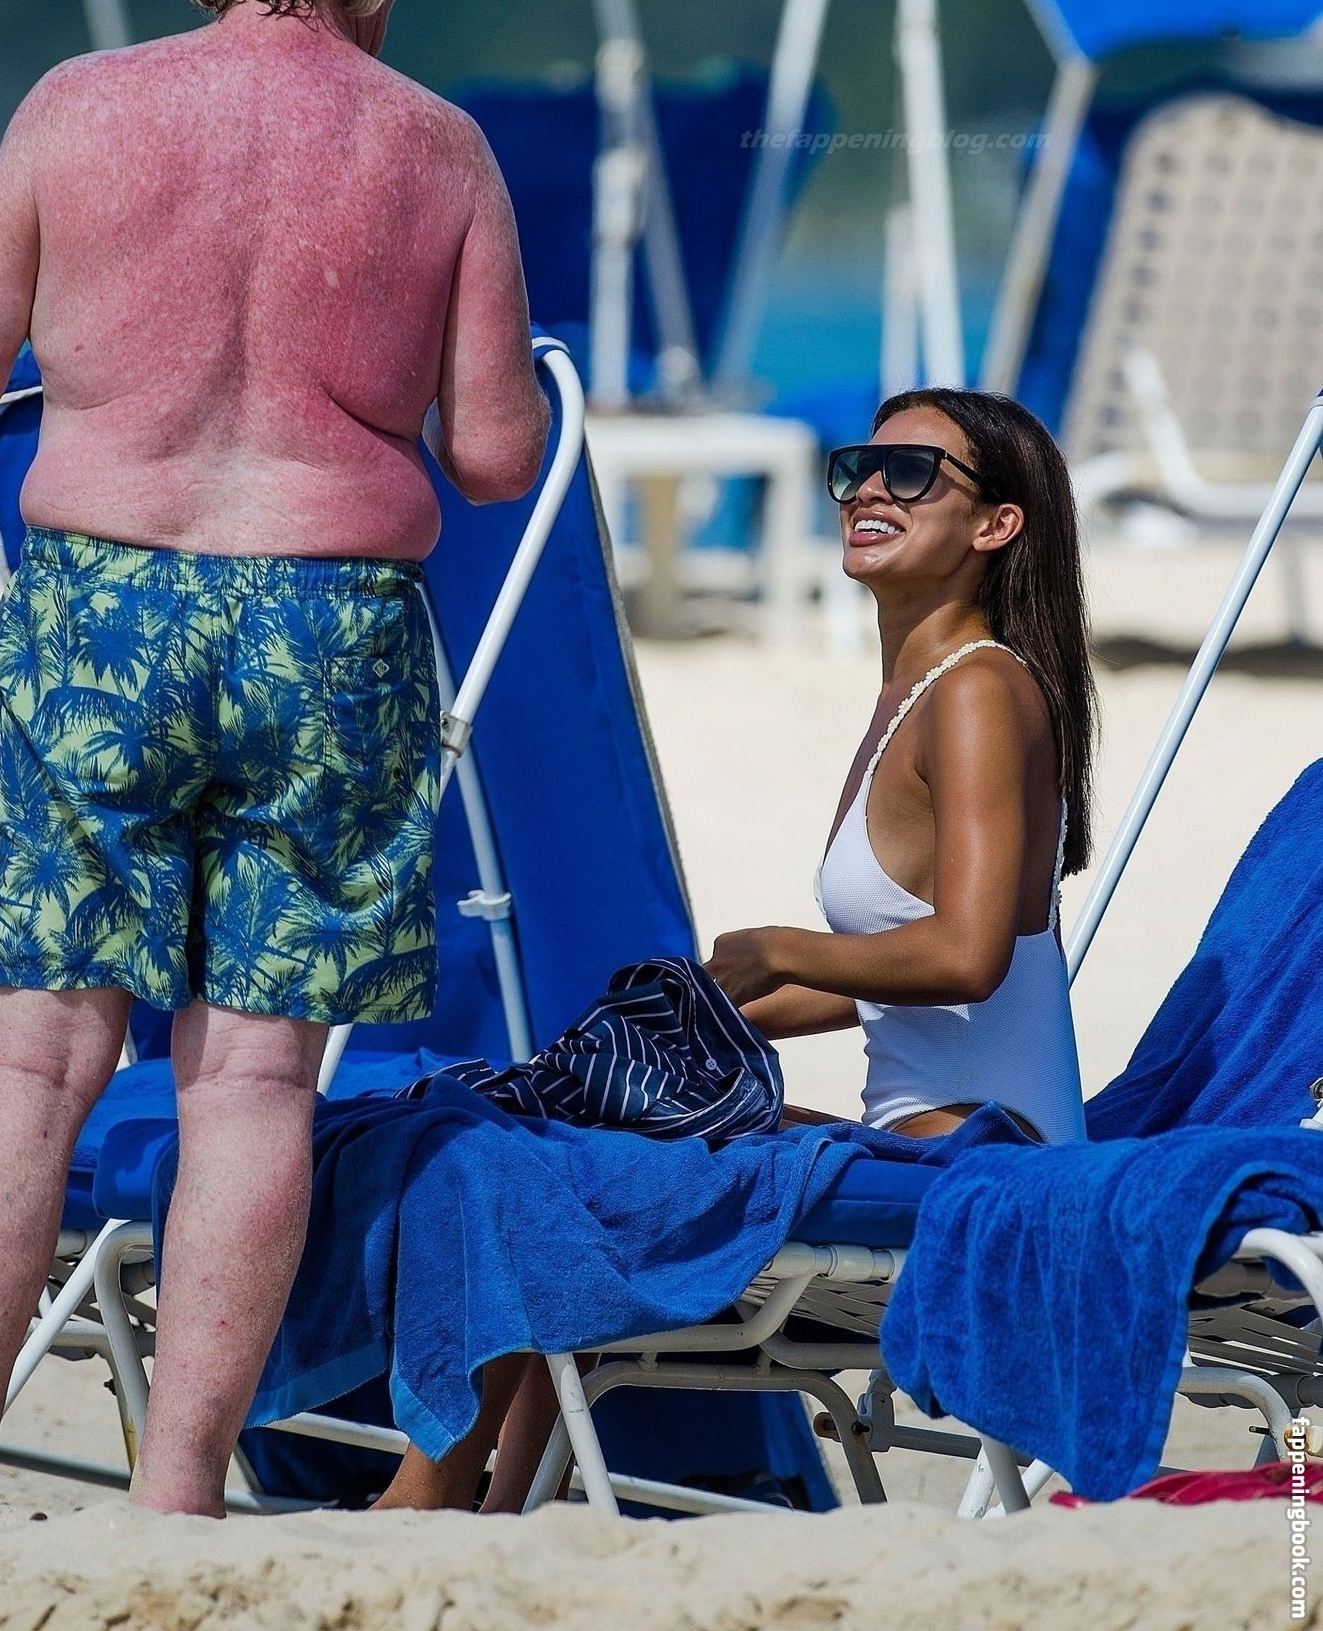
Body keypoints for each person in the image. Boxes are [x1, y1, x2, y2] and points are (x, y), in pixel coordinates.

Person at [0, 0, 548, 1519]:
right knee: (253, 1080)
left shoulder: (80, 108)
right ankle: (176, 1503)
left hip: (100, 604)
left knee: (30, 1059)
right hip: (327, 625)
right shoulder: (436, 149)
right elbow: (494, 456)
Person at [375, 385, 1096, 1511]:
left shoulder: (980, 693)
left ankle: (439, 1501)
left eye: (912, 473)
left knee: (544, 1169)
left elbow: (967, 959)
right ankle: (492, 1505)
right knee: (564, 1127)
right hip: (921, 1138)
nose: (869, 487)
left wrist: (778, 952)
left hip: (977, 1165)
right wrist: (718, 1008)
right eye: (856, 467)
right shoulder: (924, 691)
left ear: (997, 525)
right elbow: (911, 980)